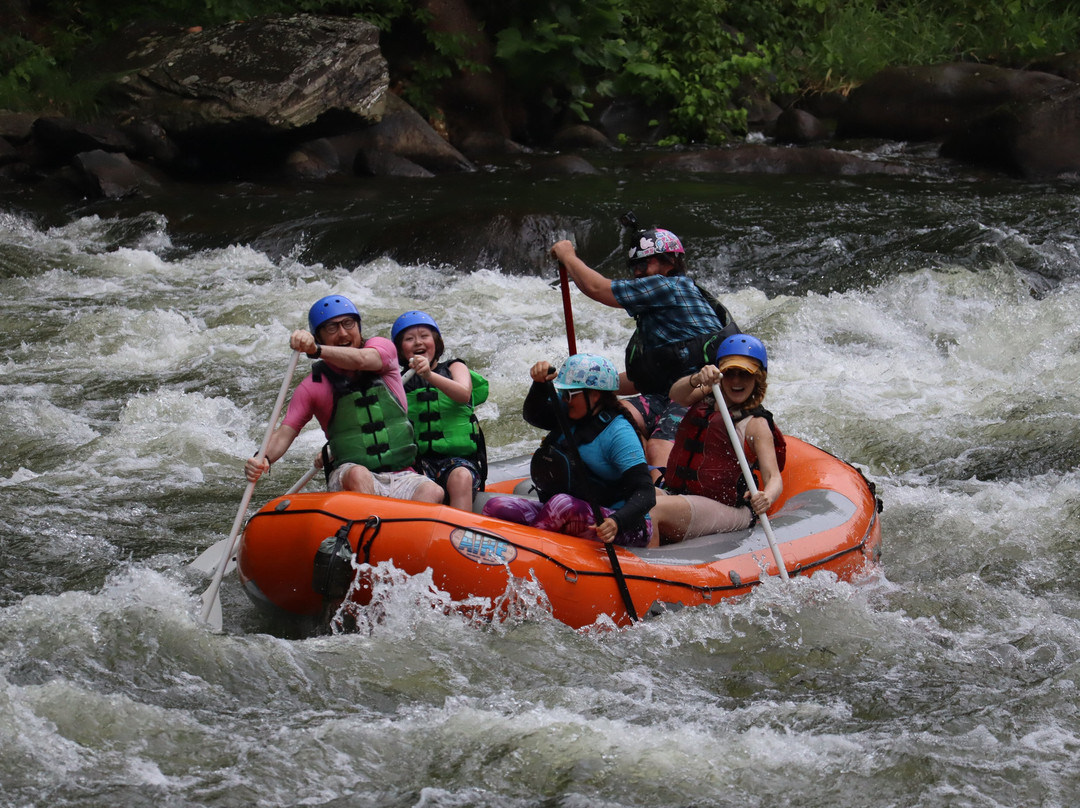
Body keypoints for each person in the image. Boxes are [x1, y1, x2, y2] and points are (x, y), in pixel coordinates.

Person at [551, 225, 739, 480]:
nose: (638, 272)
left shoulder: (670, 287)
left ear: (670, 261)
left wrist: (568, 256)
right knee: (610, 413)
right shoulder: (659, 319)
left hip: (700, 394)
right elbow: (643, 380)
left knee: (658, 445)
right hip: (665, 395)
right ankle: (632, 481)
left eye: (645, 263)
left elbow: (598, 289)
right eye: (634, 266)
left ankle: (658, 499)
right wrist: (592, 386)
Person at [244, 294, 444, 503]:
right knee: (359, 474)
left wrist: (316, 350)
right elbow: (285, 432)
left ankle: (404, 532)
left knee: (433, 492)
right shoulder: (313, 385)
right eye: (332, 328)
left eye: (348, 323)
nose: (342, 333)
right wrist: (263, 457)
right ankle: (371, 527)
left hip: (402, 473)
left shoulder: (383, 350)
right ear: (319, 336)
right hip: (348, 474)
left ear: (358, 327)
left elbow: (362, 360)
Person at [481, 354, 655, 547]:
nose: (563, 399)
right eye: (562, 392)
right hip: (571, 510)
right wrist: (539, 384)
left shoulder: (619, 433)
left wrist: (617, 521)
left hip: (623, 525)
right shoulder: (568, 413)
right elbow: (534, 415)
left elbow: (645, 492)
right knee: (497, 506)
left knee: (562, 504)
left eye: (569, 394)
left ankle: (527, 553)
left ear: (595, 395)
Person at [649, 334, 786, 544]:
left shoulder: (756, 423)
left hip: (729, 508)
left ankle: (648, 569)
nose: (736, 381)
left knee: (654, 510)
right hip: (680, 493)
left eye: (745, 374)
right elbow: (677, 395)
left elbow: (773, 477)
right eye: (730, 373)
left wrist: (766, 497)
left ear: (758, 377)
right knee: (637, 499)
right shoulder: (708, 394)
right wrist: (696, 378)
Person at [391, 309, 489, 511]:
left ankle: (460, 534)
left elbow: (463, 394)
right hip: (419, 463)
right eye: (409, 339)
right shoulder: (399, 382)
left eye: (424, 336)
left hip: (460, 461)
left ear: (436, 342)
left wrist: (429, 375)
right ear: (400, 350)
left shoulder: (454, 367)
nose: (418, 342)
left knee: (460, 477)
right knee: (421, 489)